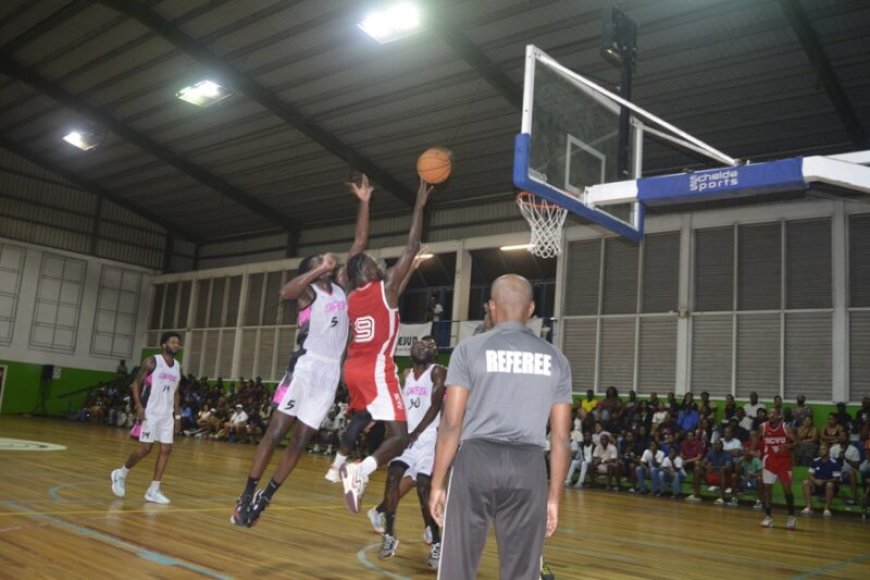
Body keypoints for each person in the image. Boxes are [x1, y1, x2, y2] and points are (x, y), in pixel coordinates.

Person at [229, 176, 371, 527]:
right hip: (305, 368)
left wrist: (364, 202)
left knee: (300, 442)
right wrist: (319, 269)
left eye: (327, 265)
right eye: (319, 264)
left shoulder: (340, 288)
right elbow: (285, 292)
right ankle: (247, 492)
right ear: (311, 271)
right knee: (275, 434)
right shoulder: (309, 293)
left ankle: (266, 496)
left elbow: (359, 243)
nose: (328, 264)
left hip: (329, 374)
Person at [429, 274, 572, 580]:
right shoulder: (556, 359)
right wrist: (554, 498)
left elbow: (452, 424)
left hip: (476, 462)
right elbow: (560, 438)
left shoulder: (468, 350)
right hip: (529, 468)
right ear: (531, 308)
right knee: (523, 572)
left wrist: (437, 482)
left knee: (458, 569)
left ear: (492, 307)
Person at [329, 178, 433, 514]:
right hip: (375, 369)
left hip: (353, 368)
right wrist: (418, 204)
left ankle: (341, 462)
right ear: (367, 272)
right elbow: (412, 243)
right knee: (401, 437)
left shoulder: (352, 295)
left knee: (369, 422)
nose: (379, 263)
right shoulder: (384, 287)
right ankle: (358, 470)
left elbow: (358, 247)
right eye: (374, 263)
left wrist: (364, 202)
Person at [369, 336, 445, 568]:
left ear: (434, 353)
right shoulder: (407, 376)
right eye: (419, 343)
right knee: (392, 477)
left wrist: (417, 432)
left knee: (423, 486)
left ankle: (436, 543)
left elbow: (436, 403)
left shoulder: (438, 371)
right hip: (407, 438)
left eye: (429, 345)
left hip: (430, 438)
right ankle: (390, 535)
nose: (422, 345)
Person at [110, 332, 182, 504]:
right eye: (172, 342)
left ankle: (153, 489)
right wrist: (138, 405)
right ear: (163, 344)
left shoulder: (177, 366)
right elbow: (136, 384)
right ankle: (121, 473)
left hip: (167, 414)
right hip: (151, 411)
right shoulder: (152, 361)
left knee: (166, 449)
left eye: (178, 343)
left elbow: (176, 392)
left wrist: (177, 416)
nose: (176, 345)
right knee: (146, 449)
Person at [755, 407, 797, 529]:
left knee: (787, 489)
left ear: (779, 415)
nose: (771, 415)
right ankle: (768, 517)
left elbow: (797, 442)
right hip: (770, 460)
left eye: (774, 413)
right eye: (770, 413)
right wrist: (754, 450)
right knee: (767, 489)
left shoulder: (786, 427)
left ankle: (791, 517)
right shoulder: (762, 426)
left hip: (784, 461)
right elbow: (756, 439)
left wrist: (788, 446)